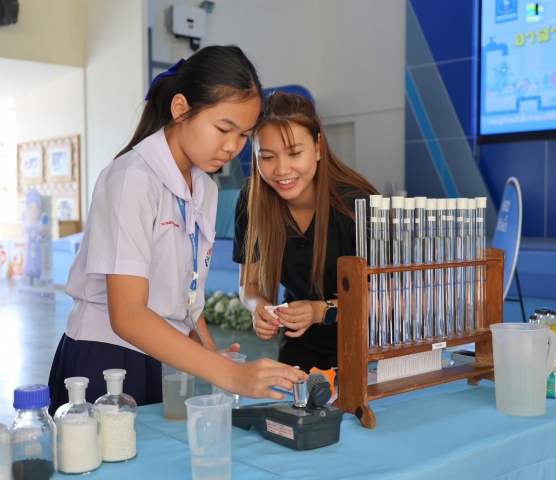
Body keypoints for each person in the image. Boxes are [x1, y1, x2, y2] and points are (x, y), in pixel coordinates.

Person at [48, 45, 306, 412]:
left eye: (244, 135)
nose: (232, 147)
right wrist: (230, 375)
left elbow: (186, 299)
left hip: (160, 356)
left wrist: (214, 356)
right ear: (181, 109)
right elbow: (128, 314)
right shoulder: (132, 178)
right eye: (223, 128)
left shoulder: (205, 189)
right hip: (106, 360)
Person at [234, 92, 378, 373]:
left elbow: (390, 297)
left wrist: (321, 310)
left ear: (318, 147)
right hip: (300, 341)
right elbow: (249, 284)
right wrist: (258, 307)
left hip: (366, 341)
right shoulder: (253, 201)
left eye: (294, 153)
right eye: (267, 157)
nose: (281, 169)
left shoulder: (357, 205)